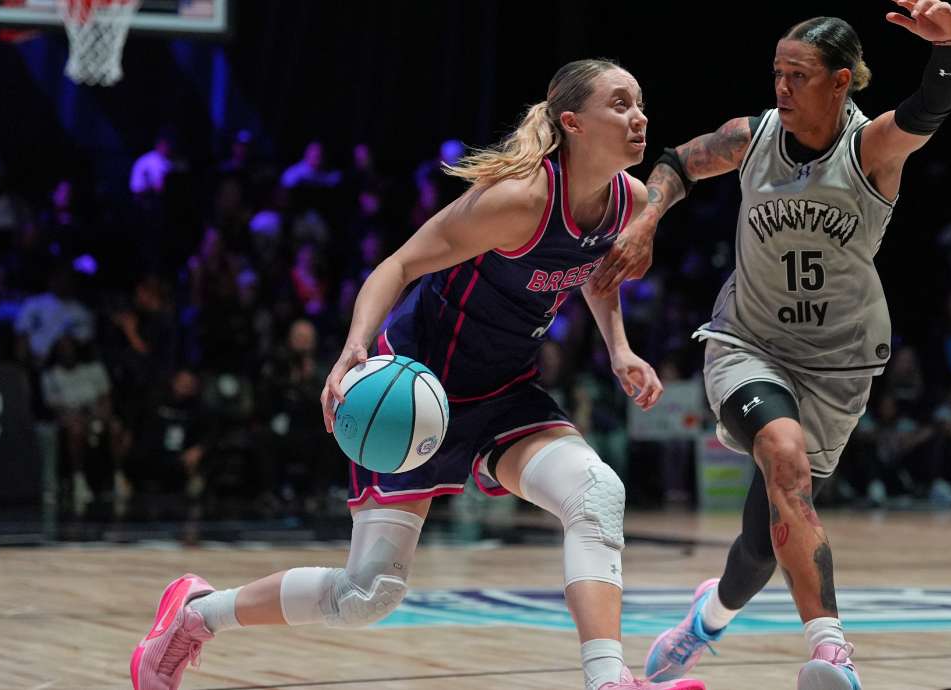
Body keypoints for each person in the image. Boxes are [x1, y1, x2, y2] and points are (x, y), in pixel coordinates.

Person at [130, 59, 703, 690]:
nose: (639, 116)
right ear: (573, 123)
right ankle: (193, 618)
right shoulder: (517, 200)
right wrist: (353, 348)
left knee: (597, 493)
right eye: (620, 104)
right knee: (366, 594)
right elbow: (398, 266)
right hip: (414, 389)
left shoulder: (631, 200)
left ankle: (606, 680)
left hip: (505, 391)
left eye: (640, 103)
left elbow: (597, 273)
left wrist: (619, 347)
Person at [590, 2, 951, 688]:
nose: (782, 88)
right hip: (749, 343)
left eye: (798, 76)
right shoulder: (753, 136)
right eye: (777, 73)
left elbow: (930, 106)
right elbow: (679, 160)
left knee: (764, 540)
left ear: (841, 82)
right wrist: (647, 220)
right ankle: (831, 650)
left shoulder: (870, 149)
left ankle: (708, 618)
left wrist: (950, 46)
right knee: (784, 459)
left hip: (838, 364)